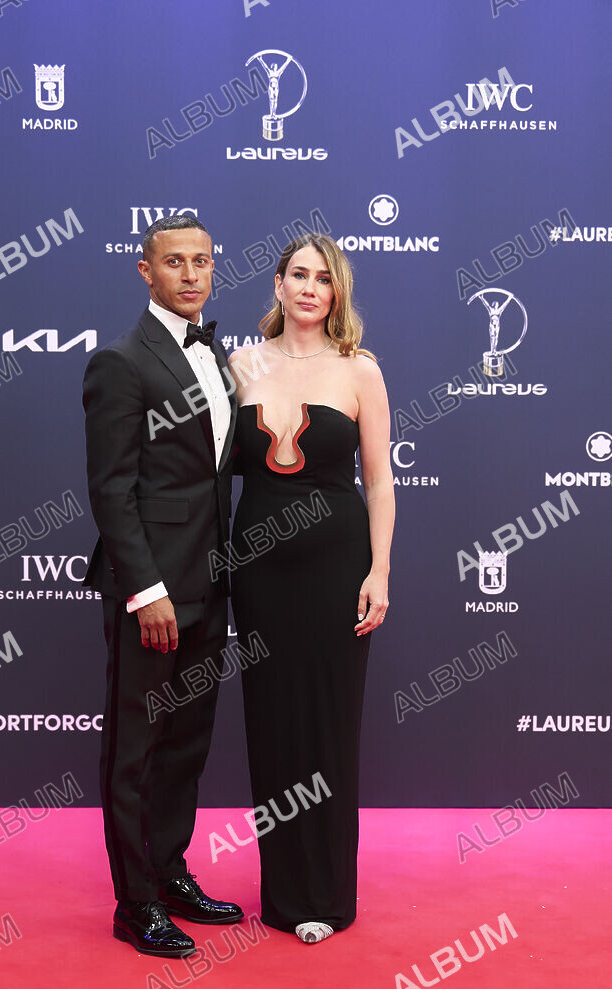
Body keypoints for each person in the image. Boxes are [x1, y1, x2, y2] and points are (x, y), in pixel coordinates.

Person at [83, 215, 243, 958]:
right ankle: (135, 900)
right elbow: (112, 490)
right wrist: (145, 590)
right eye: (173, 261)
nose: (189, 273)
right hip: (155, 593)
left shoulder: (219, 356)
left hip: (212, 584)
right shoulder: (120, 362)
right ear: (144, 271)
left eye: (201, 261)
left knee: (185, 743)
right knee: (137, 747)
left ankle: (171, 869)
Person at [228, 233, 394, 944]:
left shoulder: (360, 370)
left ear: (336, 294)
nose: (308, 288)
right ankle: (284, 893)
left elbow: (380, 479)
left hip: (336, 567)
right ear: (275, 282)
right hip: (258, 567)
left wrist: (378, 569)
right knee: (270, 724)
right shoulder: (238, 364)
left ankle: (327, 889)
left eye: (323, 280)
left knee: (329, 723)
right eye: (298, 274)